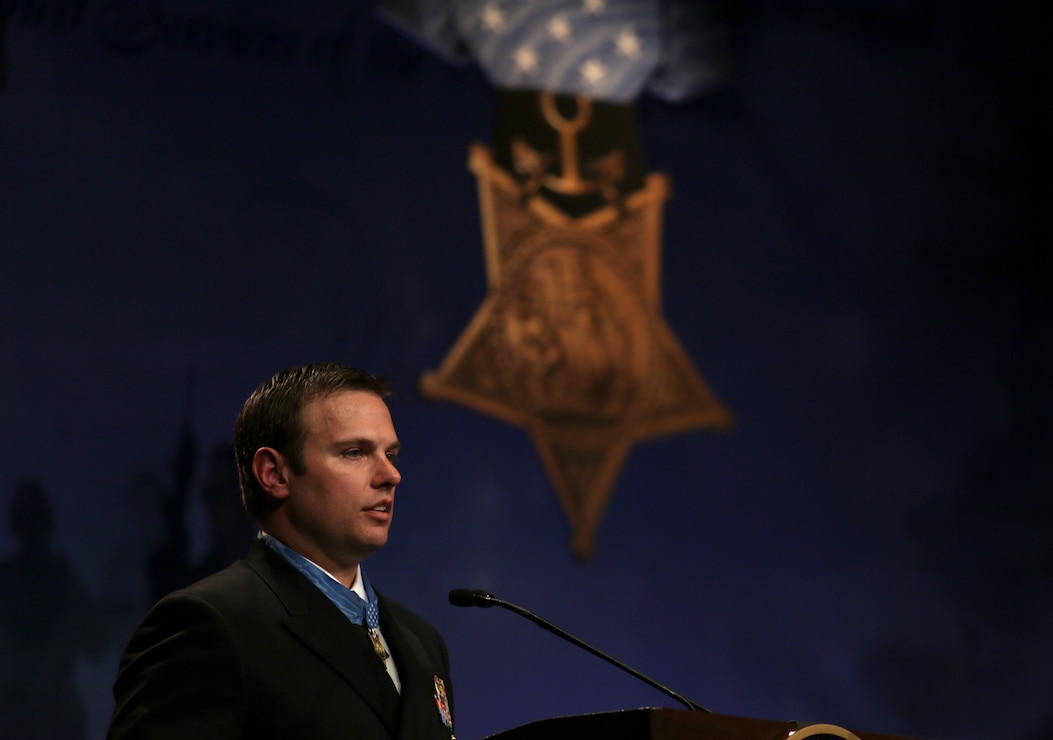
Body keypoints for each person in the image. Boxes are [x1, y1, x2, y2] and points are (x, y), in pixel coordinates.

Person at [107, 362, 456, 740]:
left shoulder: (422, 642)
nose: (391, 475)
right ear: (274, 474)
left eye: (391, 455)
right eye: (355, 452)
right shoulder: (209, 624)